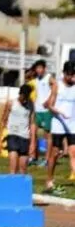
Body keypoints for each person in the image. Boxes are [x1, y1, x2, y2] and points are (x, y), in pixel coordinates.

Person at [44, 61, 75, 194]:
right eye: (69, 75)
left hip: (72, 125)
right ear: (64, 73)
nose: (72, 78)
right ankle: (49, 180)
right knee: (55, 153)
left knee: (73, 153)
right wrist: (60, 113)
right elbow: (49, 105)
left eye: (74, 75)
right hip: (58, 124)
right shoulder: (58, 85)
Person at [0, 84, 35, 174]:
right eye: (24, 96)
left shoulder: (31, 105)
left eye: (27, 97)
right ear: (20, 94)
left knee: (23, 169)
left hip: (25, 137)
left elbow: (32, 124)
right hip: (13, 135)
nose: (25, 99)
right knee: (13, 168)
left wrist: (33, 143)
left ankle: (20, 187)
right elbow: (3, 121)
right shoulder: (11, 103)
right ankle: (11, 186)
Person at [32, 60, 58, 164]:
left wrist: (49, 101)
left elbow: (56, 87)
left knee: (48, 136)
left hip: (46, 111)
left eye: (40, 68)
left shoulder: (49, 77)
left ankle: (47, 159)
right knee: (33, 133)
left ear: (44, 68)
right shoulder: (36, 79)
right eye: (37, 68)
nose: (38, 70)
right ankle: (34, 157)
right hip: (37, 110)